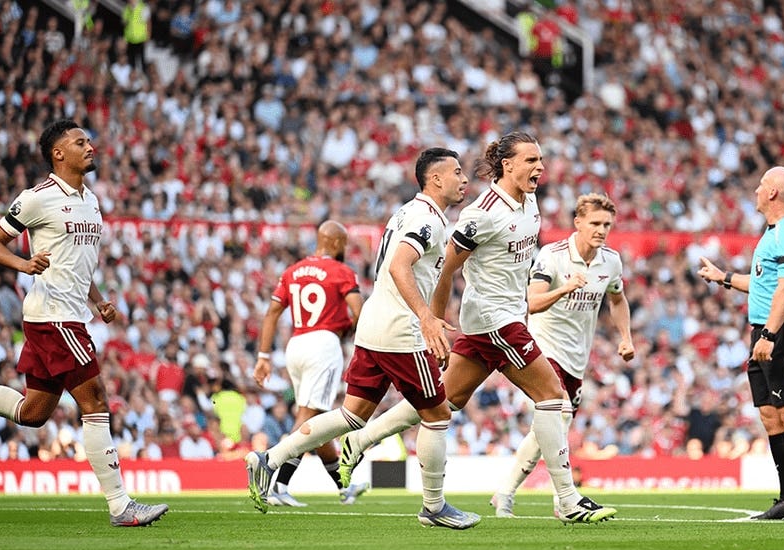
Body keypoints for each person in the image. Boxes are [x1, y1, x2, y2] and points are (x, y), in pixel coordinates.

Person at [337, 131, 617, 524]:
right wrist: (432, 321)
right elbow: (446, 267)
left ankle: (360, 440)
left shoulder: (530, 201)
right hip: (495, 321)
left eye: (540, 160)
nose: (540, 167)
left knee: (442, 402)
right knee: (553, 397)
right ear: (508, 165)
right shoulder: (482, 213)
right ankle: (568, 500)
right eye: (531, 161)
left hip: (494, 320)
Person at [247, 148, 481, 529]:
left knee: (351, 416)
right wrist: (426, 318)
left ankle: (268, 460)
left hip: (374, 324)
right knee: (438, 414)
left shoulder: (406, 212)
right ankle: (434, 507)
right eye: (457, 172)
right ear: (435, 179)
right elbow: (399, 264)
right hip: (400, 330)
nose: (464, 179)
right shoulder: (428, 220)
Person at [0, 119, 168, 526]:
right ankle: (121, 506)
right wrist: (24, 264)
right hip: (55, 318)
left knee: (33, 413)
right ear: (58, 153)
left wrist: (99, 301)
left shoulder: (91, 200)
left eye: (89, 140)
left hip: (68, 313)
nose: (91, 146)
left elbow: (78, 265)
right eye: (80, 142)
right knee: (96, 402)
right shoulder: (36, 198)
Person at [490, 192, 635, 517]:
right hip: (542, 349)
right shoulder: (552, 256)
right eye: (595, 223)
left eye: (607, 224)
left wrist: (625, 337)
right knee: (560, 415)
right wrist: (565, 288)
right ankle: (565, 500)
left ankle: (505, 492)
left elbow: (617, 299)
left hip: (576, 358)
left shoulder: (610, 260)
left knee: (549, 430)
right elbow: (532, 301)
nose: (601, 229)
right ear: (578, 222)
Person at [698, 166, 784, 521]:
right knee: (770, 415)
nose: (755, 190)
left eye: (760, 185)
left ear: (772, 192)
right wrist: (723, 277)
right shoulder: (773, 234)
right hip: (766, 331)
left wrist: (769, 334)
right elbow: (765, 285)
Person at [252, 220, 367, 507]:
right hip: (323, 344)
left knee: (317, 421)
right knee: (308, 418)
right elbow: (359, 311)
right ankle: (277, 481)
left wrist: (263, 357)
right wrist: (350, 331)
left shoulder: (292, 271)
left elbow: (271, 313)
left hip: (297, 344)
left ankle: (344, 486)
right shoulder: (341, 271)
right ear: (338, 243)